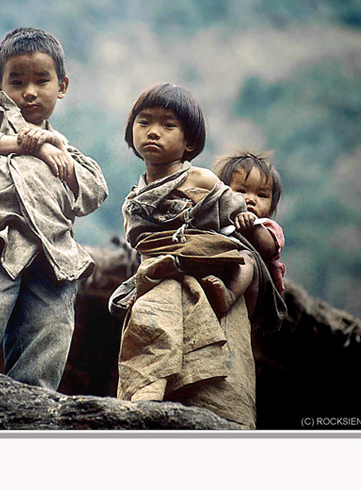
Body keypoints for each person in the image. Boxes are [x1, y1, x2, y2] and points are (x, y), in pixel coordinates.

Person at [0, 27, 108, 390]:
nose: (29, 92)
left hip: (53, 252)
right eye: (17, 82)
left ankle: (30, 410)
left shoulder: (65, 150)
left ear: (62, 86)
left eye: (42, 80)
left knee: (49, 333)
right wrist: (33, 146)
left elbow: (94, 189)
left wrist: (54, 146)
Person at [108, 83, 284, 429]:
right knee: (152, 326)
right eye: (144, 122)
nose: (154, 132)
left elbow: (251, 237)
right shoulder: (134, 197)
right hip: (161, 276)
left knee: (219, 393)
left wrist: (241, 235)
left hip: (212, 277)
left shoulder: (201, 179)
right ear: (131, 132)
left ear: (189, 143)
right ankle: (145, 400)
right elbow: (142, 242)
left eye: (168, 125)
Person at [214, 151, 286, 294]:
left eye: (261, 195)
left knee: (247, 259)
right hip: (221, 269)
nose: (251, 199)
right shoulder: (218, 218)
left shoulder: (266, 226)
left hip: (256, 288)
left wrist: (253, 227)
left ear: (272, 207)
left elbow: (269, 249)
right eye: (241, 191)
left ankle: (229, 295)